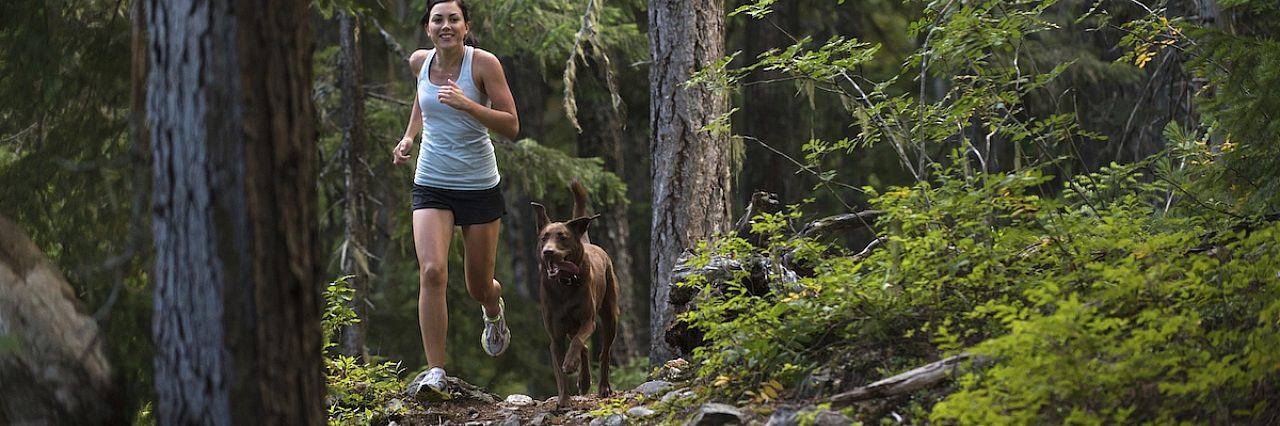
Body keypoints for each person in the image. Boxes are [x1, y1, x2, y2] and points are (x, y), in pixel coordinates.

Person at [393, 0, 519, 400]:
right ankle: (435, 371)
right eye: (437, 20)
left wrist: (469, 105)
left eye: (453, 19)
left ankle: (494, 311)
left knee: (479, 286)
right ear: (427, 28)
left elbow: (512, 125)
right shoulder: (420, 62)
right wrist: (410, 136)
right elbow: (422, 97)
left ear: (466, 26)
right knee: (431, 271)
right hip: (431, 182)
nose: (445, 26)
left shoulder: (483, 65)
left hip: (479, 186)